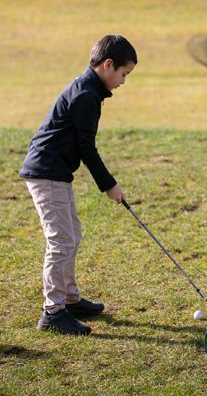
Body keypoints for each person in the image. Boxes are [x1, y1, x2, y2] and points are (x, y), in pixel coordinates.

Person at [20, 35, 137, 335]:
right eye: (123, 74)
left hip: (55, 172)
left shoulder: (88, 89)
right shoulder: (86, 96)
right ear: (108, 65)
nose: (123, 82)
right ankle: (53, 312)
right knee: (61, 241)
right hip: (47, 173)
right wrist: (109, 185)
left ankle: (70, 299)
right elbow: (87, 148)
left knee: (72, 235)